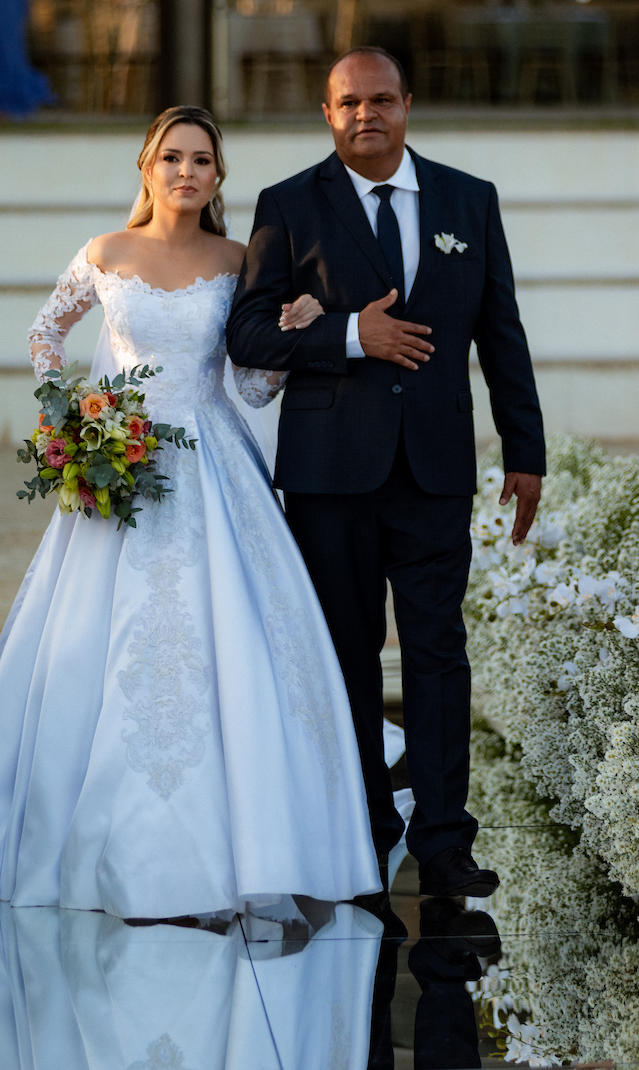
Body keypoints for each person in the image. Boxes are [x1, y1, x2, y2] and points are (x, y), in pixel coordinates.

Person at [0, 105, 383, 919]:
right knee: (97, 640)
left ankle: (253, 836)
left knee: (228, 638)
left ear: (217, 177)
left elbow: (248, 385)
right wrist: (75, 417)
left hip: (214, 462)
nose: (186, 172)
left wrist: (289, 330)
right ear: (146, 167)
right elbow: (44, 331)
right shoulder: (105, 253)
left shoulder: (240, 260)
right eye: (172, 157)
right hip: (118, 464)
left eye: (202, 160)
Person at [226, 46, 546, 899]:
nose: (364, 113)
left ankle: (444, 841)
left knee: (439, 654)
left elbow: (499, 332)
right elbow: (248, 336)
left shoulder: (466, 201)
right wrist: (344, 335)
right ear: (326, 115)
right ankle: (361, 828)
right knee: (346, 655)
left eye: (379, 99)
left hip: (435, 467)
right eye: (346, 103)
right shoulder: (289, 205)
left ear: (407, 104)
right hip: (330, 473)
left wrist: (525, 450)